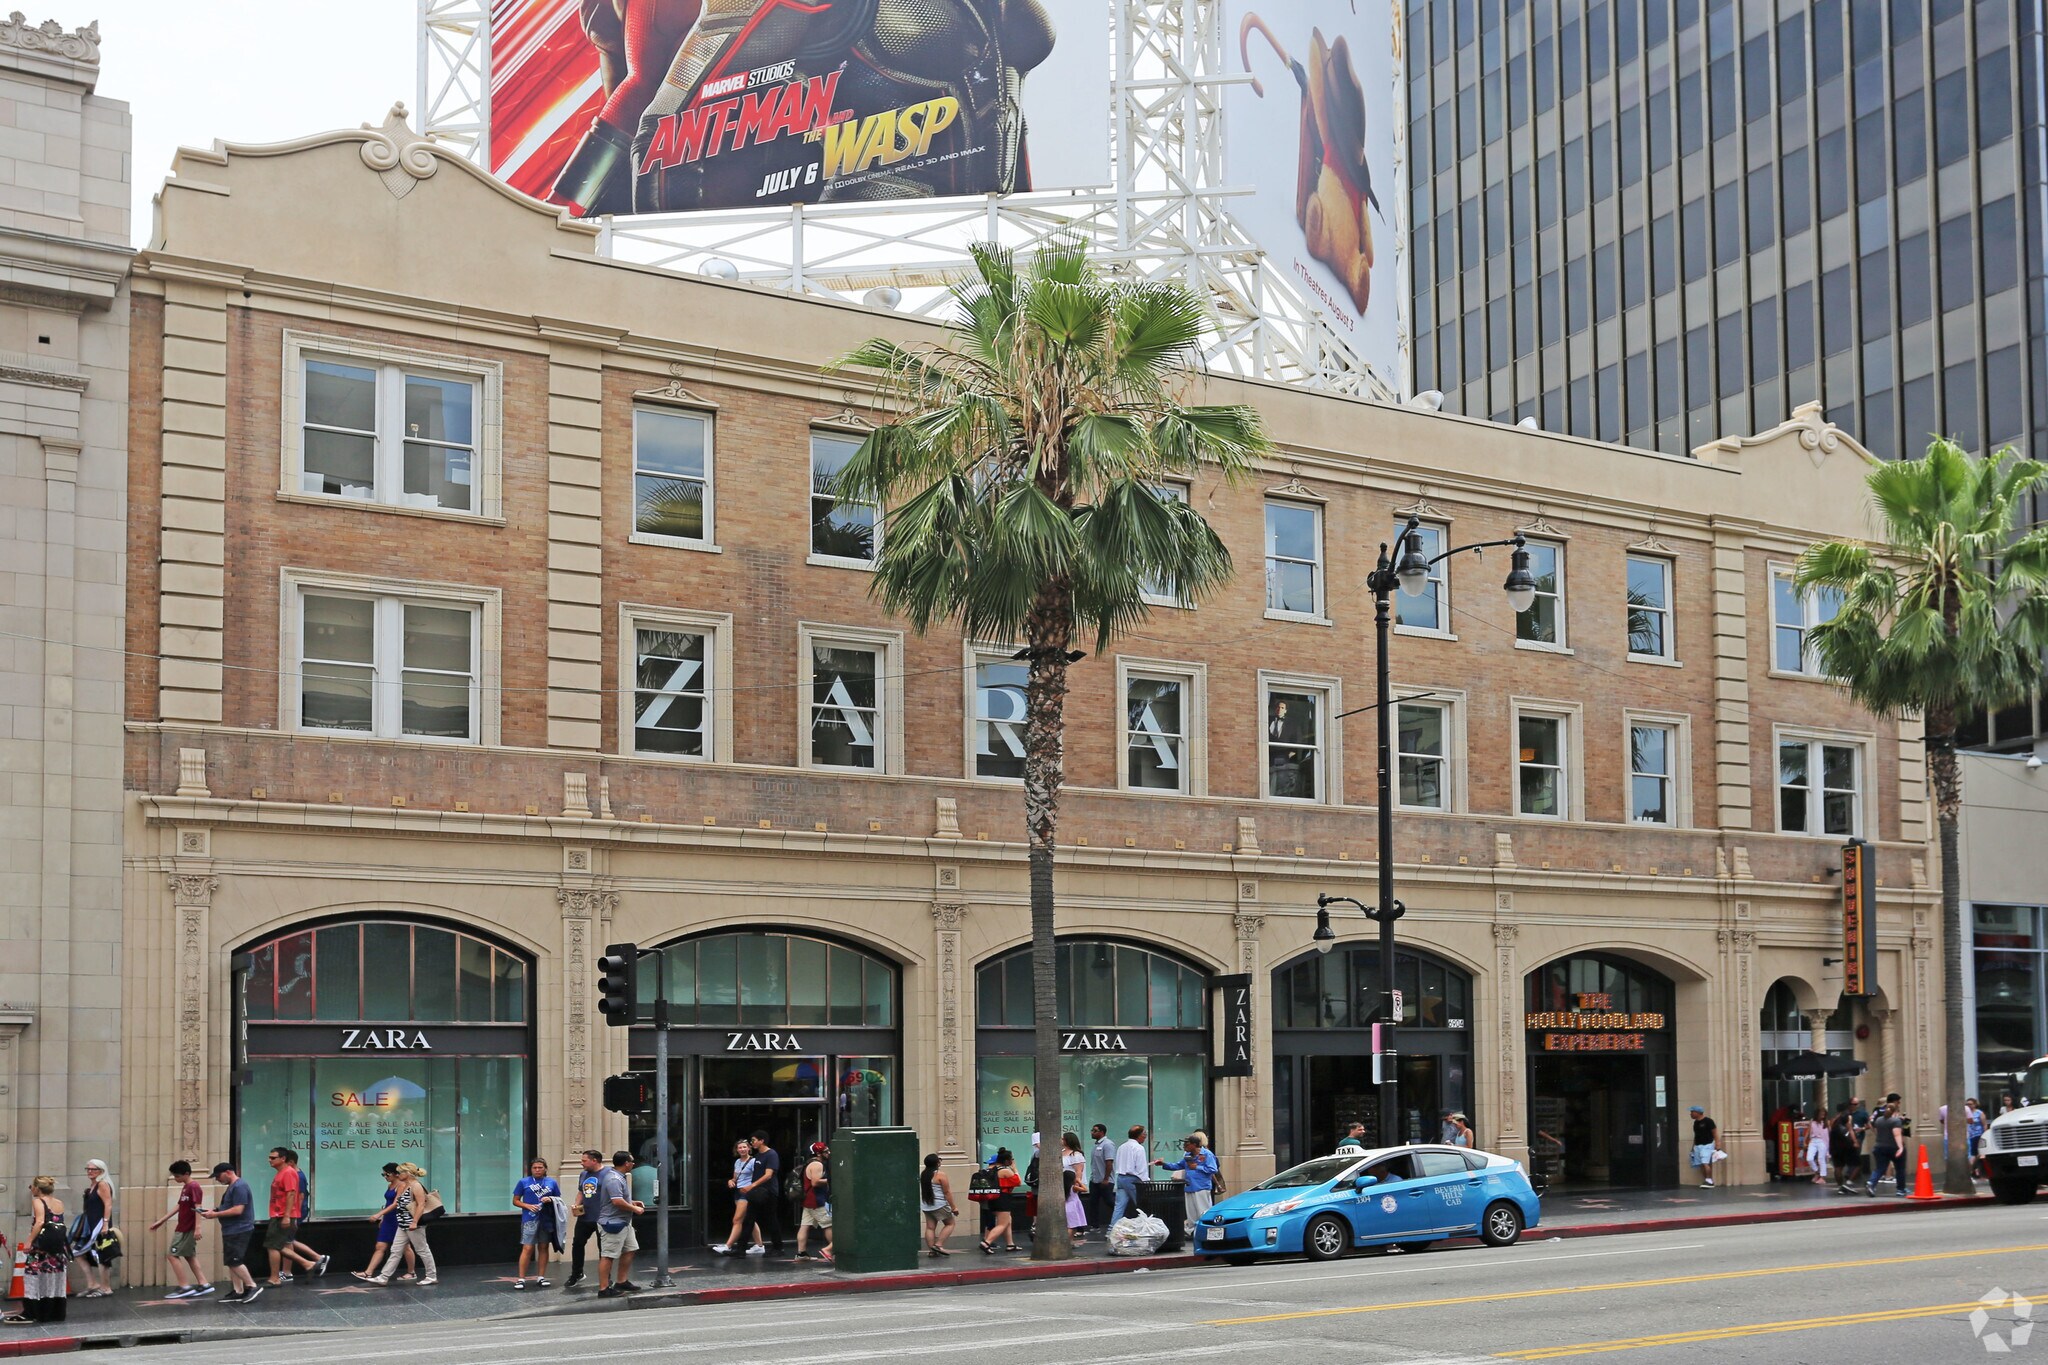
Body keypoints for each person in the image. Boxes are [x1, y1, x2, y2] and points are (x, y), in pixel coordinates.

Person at [5, 1175, 66, 1323]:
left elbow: (39, 1222)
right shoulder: (59, 1203)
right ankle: (54, 1312)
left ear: (37, 1188)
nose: (31, 1189)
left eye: (31, 1186)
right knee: (53, 1279)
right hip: (57, 1249)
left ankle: (31, 1312)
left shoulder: (38, 1201)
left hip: (40, 1249)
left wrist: (29, 1241)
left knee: (33, 1277)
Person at [367, 1163, 438, 1286]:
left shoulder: (416, 1186)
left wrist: (415, 1221)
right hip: (402, 1223)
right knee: (395, 1250)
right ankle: (383, 1277)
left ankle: (431, 1276)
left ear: (408, 1174)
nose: (398, 1175)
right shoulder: (405, 1185)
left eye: (400, 1172)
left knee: (422, 1250)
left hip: (413, 1224)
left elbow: (421, 1205)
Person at [148, 1160, 210, 1299]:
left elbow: (198, 1207)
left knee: (172, 1255)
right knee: (189, 1256)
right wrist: (161, 1221)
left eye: (177, 1176)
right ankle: (203, 1283)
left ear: (186, 1174)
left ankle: (184, 1286)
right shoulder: (186, 1187)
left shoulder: (194, 1186)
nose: (175, 1178)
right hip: (183, 1226)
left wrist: (198, 1228)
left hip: (186, 1228)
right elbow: (179, 1206)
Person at [262, 1148, 323, 1285]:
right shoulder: (282, 1173)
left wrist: (287, 1216)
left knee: (273, 1246)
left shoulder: (288, 1173)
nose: (269, 1160)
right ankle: (308, 1263)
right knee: (276, 1245)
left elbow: (292, 1194)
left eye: (273, 1158)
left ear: (282, 1159)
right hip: (279, 1214)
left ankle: (275, 1278)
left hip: (282, 1214)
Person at [200, 1162, 260, 1302]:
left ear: (228, 1172)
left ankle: (251, 1285)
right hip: (231, 1229)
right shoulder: (233, 1187)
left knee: (234, 1260)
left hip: (239, 1228)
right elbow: (230, 1207)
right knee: (231, 1260)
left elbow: (238, 1209)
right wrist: (214, 1211)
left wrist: (215, 1215)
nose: (218, 1179)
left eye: (218, 1176)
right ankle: (238, 1290)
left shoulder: (239, 1186)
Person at [353, 1164, 414, 1283]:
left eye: (387, 1174)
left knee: (406, 1247)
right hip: (389, 1218)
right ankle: (368, 1272)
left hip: (398, 1218)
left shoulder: (401, 1185)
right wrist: (384, 1218)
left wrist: (379, 1214)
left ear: (396, 1174)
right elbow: (388, 1203)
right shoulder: (390, 1185)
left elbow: (396, 1203)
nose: (385, 1177)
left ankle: (411, 1272)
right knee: (380, 1246)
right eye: (383, 1174)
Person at [595, 1151, 644, 1298]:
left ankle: (621, 1281)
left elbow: (618, 1198)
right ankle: (604, 1288)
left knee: (630, 1249)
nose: (633, 1164)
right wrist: (634, 1208)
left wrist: (632, 1202)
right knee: (608, 1255)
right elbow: (617, 1201)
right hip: (613, 1222)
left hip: (623, 1222)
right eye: (632, 1161)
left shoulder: (619, 1177)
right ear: (626, 1163)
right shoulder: (614, 1179)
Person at [71, 1159, 116, 1298]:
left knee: (102, 1254)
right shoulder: (93, 1185)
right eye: (88, 1169)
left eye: (93, 1169)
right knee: (78, 1252)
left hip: (99, 1224)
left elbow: (108, 1204)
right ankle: (93, 1284)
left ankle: (106, 1287)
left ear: (101, 1171)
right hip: (90, 1224)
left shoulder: (102, 1184)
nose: (90, 1171)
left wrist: (105, 1224)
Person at [513, 1157, 561, 1289]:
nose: (537, 1170)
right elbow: (516, 1200)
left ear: (545, 1168)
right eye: (535, 1167)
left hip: (546, 1219)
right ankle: (521, 1278)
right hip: (529, 1219)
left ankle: (541, 1277)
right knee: (527, 1248)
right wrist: (527, 1206)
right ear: (531, 1169)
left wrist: (550, 1199)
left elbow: (558, 1199)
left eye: (540, 1167)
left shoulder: (552, 1182)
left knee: (544, 1247)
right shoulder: (523, 1182)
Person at [1154, 1134, 1218, 1231]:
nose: (1184, 1146)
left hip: (1201, 1187)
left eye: (1186, 1144)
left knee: (1203, 1211)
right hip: (1189, 1187)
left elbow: (1213, 1169)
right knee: (1191, 1214)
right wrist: (1164, 1164)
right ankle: (1193, 1231)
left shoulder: (1207, 1154)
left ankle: (1206, 1230)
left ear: (1194, 1145)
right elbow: (1178, 1166)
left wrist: (1197, 1167)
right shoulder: (1187, 1156)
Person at [563, 1150, 607, 1288]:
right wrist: (576, 1204)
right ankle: (577, 1273)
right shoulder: (584, 1174)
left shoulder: (608, 1174)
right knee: (577, 1244)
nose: (581, 1163)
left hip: (602, 1217)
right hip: (585, 1216)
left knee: (604, 1249)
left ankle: (605, 1278)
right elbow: (581, 1191)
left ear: (594, 1160)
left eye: (584, 1160)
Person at [710, 1139, 761, 1256]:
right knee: (749, 1218)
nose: (742, 1149)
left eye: (744, 1147)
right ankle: (759, 1245)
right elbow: (735, 1178)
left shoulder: (753, 1161)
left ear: (749, 1148)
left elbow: (758, 1177)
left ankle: (728, 1245)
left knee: (737, 1220)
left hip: (747, 1192)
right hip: (738, 1191)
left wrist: (751, 1188)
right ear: (736, 1150)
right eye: (740, 1148)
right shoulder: (737, 1162)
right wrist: (731, 1181)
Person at [737, 1132, 783, 1256]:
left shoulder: (771, 1154)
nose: (752, 1143)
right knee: (749, 1219)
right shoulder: (757, 1156)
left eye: (754, 1140)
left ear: (761, 1141)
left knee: (771, 1219)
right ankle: (740, 1249)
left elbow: (768, 1175)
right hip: (756, 1192)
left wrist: (751, 1186)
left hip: (768, 1192)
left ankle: (778, 1248)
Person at [794, 1142, 833, 1263]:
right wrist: (831, 1180)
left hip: (809, 1201)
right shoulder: (817, 1164)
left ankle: (801, 1253)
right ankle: (831, 1249)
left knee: (805, 1225)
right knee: (829, 1225)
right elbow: (815, 1182)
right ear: (818, 1153)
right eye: (826, 1151)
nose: (829, 1153)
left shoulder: (810, 1163)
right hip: (816, 1200)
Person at [979, 1148, 1022, 1253]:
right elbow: (1018, 1182)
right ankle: (987, 1242)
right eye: (1011, 1159)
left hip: (993, 1198)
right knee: (1002, 1224)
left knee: (1008, 1220)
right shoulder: (1005, 1171)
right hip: (1003, 1198)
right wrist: (1015, 1169)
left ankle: (1010, 1244)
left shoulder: (992, 1169)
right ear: (1007, 1161)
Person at [1865, 1100, 1910, 1198]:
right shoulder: (1896, 1121)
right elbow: (1897, 1134)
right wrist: (1901, 1147)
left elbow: (1875, 1129)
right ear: (1896, 1111)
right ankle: (1900, 1189)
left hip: (1879, 1147)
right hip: (1893, 1147)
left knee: (1880, 1168)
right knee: (1900, 1169)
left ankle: (1871, 1183)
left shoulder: (1879, 1120)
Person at [920, 1154, 959, 1257]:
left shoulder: (924, 1174)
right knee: (950, 1224)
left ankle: (932, 1251)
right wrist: (954, 1207)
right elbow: (947, 1192)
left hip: (926, 1204)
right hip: (939, 1204)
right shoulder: (940, 1174)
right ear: (937, 1163)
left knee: (930, 1227)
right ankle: (938, 1245)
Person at [1112, 1124, 1149, 1224]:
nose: (1145, 1137)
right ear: (1139, 1135)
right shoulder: (1139, 1148)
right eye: (1144, 1134)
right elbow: (1141, 1168)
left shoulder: (1122, 1147)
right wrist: (1145, 1181)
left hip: (1121, 1177)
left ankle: (1111, 1229)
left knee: (1119, 1206)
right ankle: (1146, 1226)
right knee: (1141, 1204)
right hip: (1133, 1179)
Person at [1060, 1133, 1088, 1247]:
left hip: (1069, 1183)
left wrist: (1076, 1183)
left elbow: (1078, 1171)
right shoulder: (1061, 1152)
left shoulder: (1075, 1154)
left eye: (1063, 1138)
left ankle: (1069, 1241)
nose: (1061, 1140)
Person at [1087, 1124, 1116, 1230]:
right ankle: (1094, 1225)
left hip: (1105, 1180)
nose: (1092, 1132)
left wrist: (1106, 1178)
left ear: (1102, 1132)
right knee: (1093, 1202)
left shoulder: (1107, 1144)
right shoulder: (1096, 1145)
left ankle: (1121, 1218)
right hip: (1095, 1179)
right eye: (1092, 1130)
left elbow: (1109, 1162)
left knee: (1109, 1201)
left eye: (1094, 1131)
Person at [1688, 1106, 1719, 1188]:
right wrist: (1693, 1147)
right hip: (1698, 1145)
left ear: (1697, 1113)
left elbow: (1715, 1132)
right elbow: (1696, 1135)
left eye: (1692, 1112)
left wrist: (1717, 1144)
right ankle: (1707, 1180)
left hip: (1707, 1145)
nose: (1690, 1114)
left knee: (1705, 1162)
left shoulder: (1708, 1121)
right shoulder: (1695, 1123)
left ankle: (1709, 1180)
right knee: (1701, 1164)